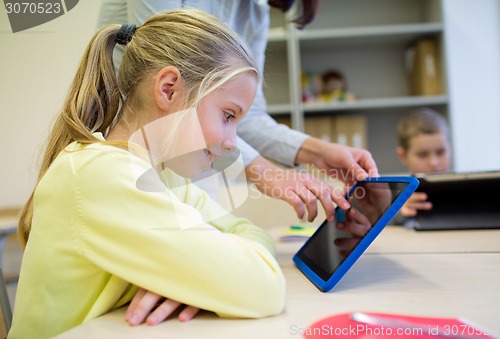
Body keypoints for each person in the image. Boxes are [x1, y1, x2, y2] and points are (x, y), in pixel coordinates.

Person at [10, 9, 287, 338]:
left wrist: (192, 283)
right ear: (169, 89)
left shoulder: (164, 177)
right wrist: (202, 282)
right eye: (228, 116)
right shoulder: (102, 176)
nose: (231, 143)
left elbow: (251, 233)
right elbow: (263, 288)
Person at [97, 0, 379, 225]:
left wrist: (316, 152)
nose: (230, 143)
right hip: (148, 151)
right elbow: (176, 89)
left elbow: (245, 112)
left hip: (179, 161)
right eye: (227, 119)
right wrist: (265, 171)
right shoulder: (111, 180)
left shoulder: (255, 9)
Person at [393, 107, 451, 223]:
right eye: (423, 155)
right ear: (403, 156)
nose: (434, 163)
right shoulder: (392, 196)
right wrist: (401, 212)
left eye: (440, 152)